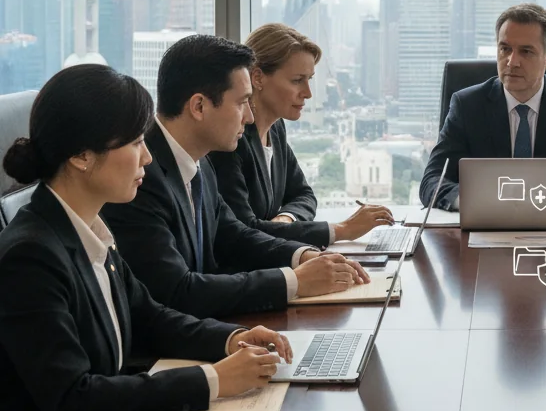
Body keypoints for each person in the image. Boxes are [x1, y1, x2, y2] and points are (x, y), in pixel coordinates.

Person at [0, 65, 291, 411]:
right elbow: (72, 400)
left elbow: (149, 316)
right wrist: (214, 381)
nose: (148, 157)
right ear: (82, 155)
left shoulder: (88, 228)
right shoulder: (30, 255)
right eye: (136, 142)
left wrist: (231, 340)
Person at [103, 35, 368, 320]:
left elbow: (233, 235)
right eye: (242, 103)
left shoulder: (199, 161)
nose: (249, 118)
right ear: (199, 106)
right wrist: (295, 282)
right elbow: (176, 291)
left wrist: (304, 256)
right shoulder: (140, 176)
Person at [419, 4, 546, 211]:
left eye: (526, 51)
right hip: (483, 226)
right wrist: (471, 202)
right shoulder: (467, 106)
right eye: (505, 49)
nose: (511, 62)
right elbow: (432, 180)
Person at [208, 23, 393, 247]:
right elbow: (246, 231)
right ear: (257, 78)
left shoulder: (275, 129)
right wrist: (343, 230)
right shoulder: (230, 140)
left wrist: (286, 219)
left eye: (309, 79)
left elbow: (304, 195)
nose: (307, 93)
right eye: (297, 80)